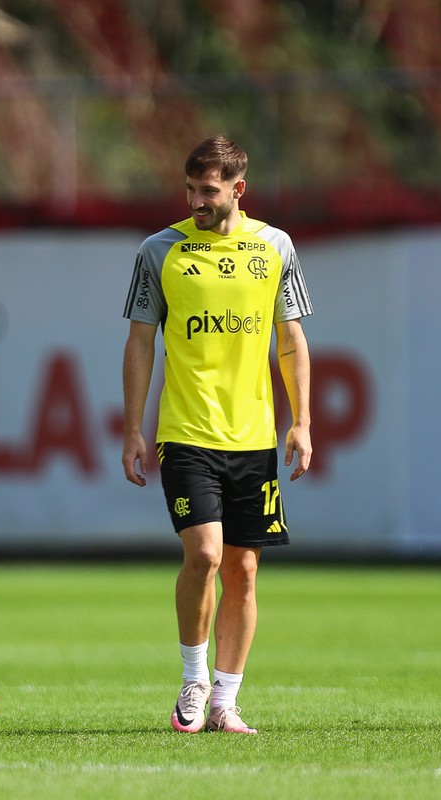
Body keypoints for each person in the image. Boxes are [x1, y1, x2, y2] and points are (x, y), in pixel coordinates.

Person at [121, 136, 314, 735]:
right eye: (190, 190)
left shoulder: (275, 246)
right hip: (186, 433)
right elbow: (139, 342)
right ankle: (194, 677)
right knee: (204, 554)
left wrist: (302, 420)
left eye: (209, 191)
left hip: (253, 438)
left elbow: (291, 341)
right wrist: (134, 427)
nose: (197, 201)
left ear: (238, 189)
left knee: (244, 569)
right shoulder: (161, 251)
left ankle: (226, 700)